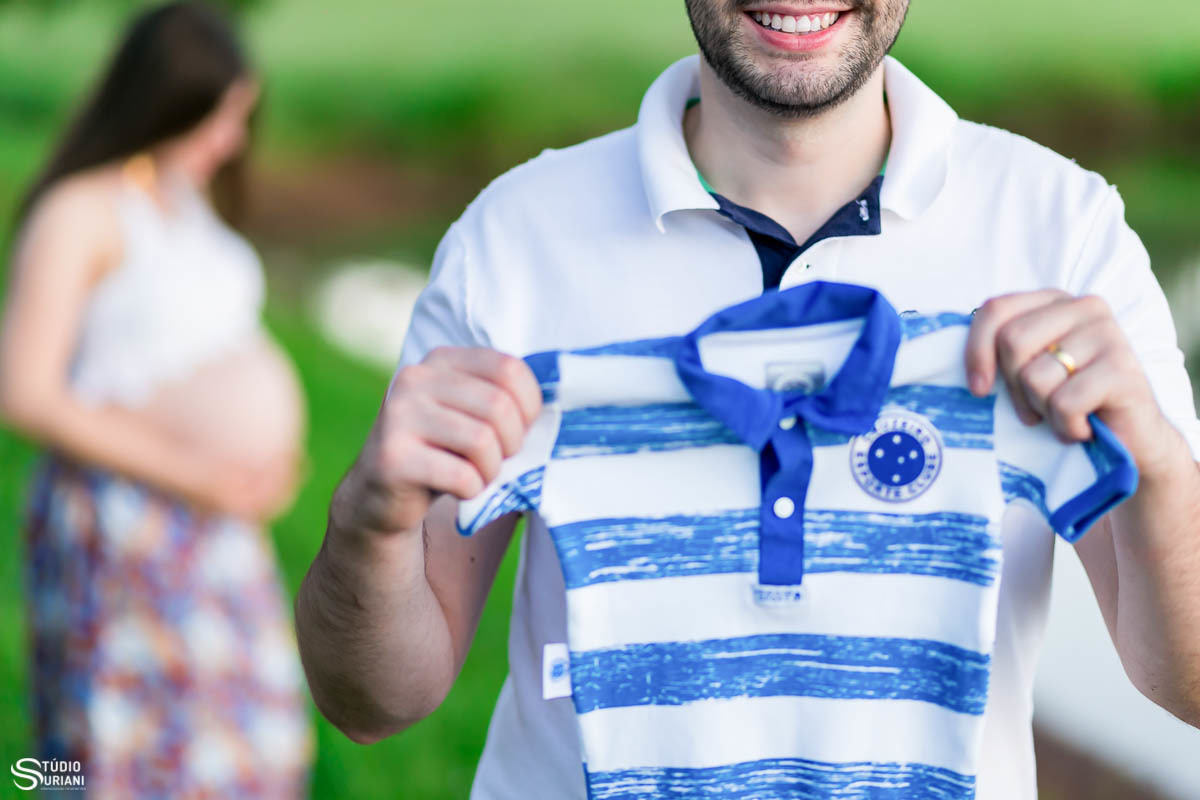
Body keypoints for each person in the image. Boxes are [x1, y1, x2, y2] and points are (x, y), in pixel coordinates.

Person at [295, 2, 1200, 799]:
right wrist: (369, 523)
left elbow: (1187, 687)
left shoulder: (1064, 233)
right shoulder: (515, 237)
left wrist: (1155, 462)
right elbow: (372, 704)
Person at [0, 2, 312, 797]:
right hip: (125, 521)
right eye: (217, 117)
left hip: (214, 525)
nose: (232, 141)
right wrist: (188, 469)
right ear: (163, 102)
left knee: (254, 747)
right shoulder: (81, 211)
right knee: (116, 756)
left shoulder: (183, 202)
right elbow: (23, 391)